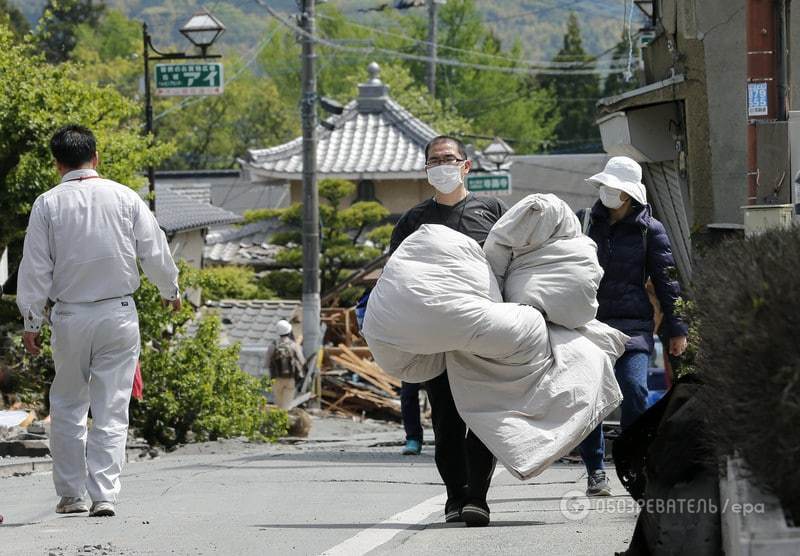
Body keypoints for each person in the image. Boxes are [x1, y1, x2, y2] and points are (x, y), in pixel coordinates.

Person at [16, 125, 180, 517]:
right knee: (112, 406)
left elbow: (35, 267)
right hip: (118, 312)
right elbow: (154, 248)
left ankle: (71, 494)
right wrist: (169, 289)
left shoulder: (47, 204)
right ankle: (104, 495)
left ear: (56, 163)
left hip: (70, 315)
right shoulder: (124, 196)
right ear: (97, 156)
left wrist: (31, 320)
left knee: (69, 404)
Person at [389, 135, 507, 527]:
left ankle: (478, 497)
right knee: (446, 421)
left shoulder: (491, 211)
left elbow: (513, 264)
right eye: (434, 160)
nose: (442, 165)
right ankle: (455, 496)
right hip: (435, 338)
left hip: (484, 333)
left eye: (449, 159)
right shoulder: (413, 221)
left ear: (466, 165)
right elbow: (396, 279)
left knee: (485, 416)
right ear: (426, 170)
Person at [578, 156, 688, 496]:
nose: (607, 193)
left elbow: (668, 281)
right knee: (589, 397)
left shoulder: (649, 230)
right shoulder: (586, 223)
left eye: (615, 188)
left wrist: (677, 329)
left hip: (633, 326)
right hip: (590, 323)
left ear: (629, 194)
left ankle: (635, 462)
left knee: (635, 390)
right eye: (605, 186)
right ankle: (596, 471)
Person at [269, 319, 306, 409]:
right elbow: (302, 361)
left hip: (276, 378)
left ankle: (280, 420)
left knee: (279, 404)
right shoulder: (294, 345)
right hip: (290, 378)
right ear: (289, 331)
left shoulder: (273, 345)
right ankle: (285, 420)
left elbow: (266, 363)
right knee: (287, 405)